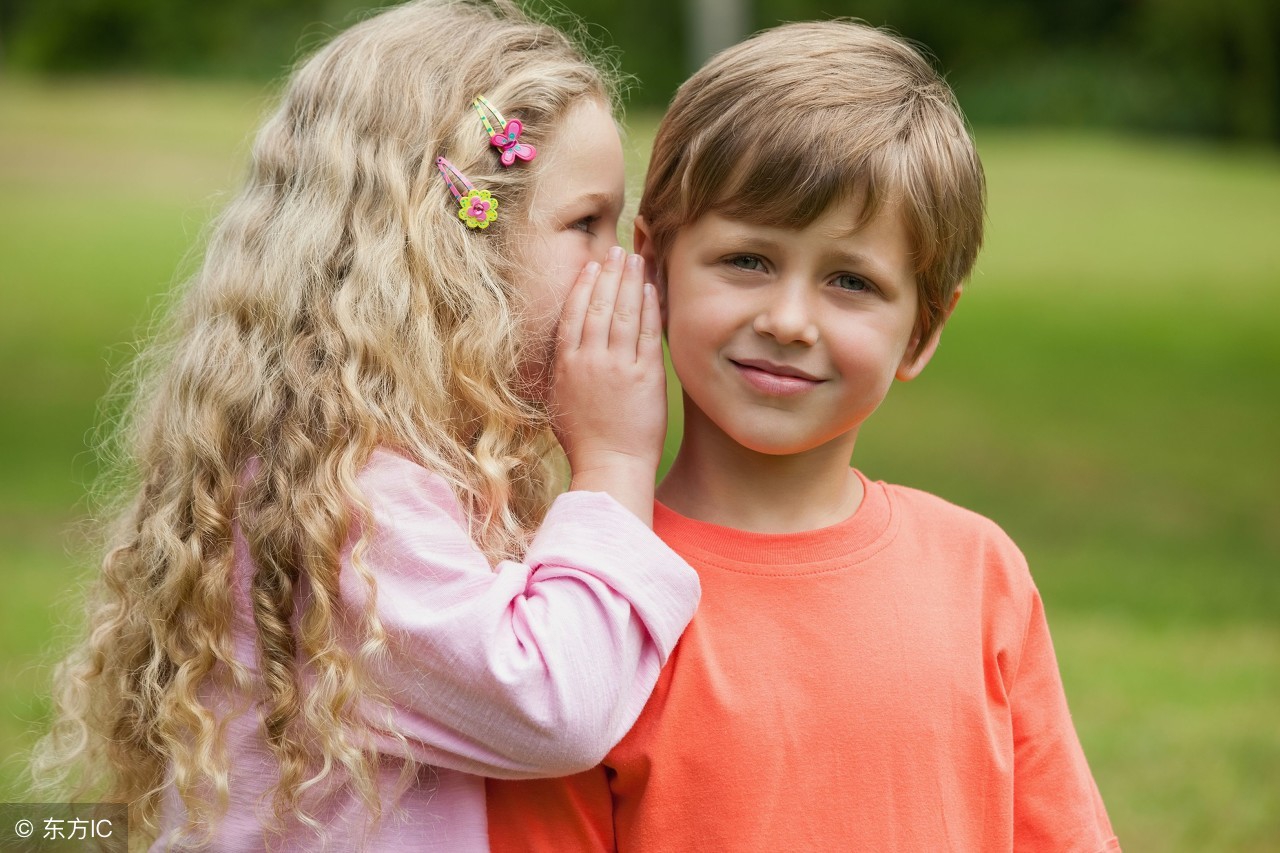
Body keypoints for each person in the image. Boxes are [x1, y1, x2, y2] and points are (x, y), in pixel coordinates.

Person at [29, 1, 702, 849]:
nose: (621, 268)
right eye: (586, 224)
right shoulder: (350, 497)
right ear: (450, 245)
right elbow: (554, 706)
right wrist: (614, 460)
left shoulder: (367, 458)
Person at [486, 20, 1121, 852]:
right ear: (654, 266)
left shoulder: (981, 573)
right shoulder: (581, 608)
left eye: (850, 280)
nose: (788, 320)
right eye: (748, 260)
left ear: (924, 330)